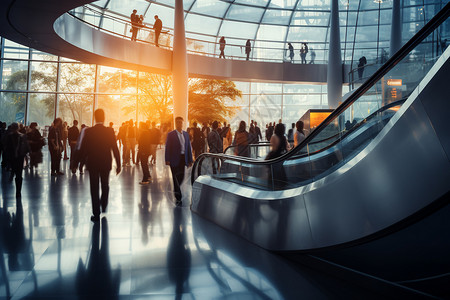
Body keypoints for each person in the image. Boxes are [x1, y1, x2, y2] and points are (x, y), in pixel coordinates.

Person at [79, 109, 121, 222]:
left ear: (95, 117)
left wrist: (79, 163)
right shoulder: (110, 131)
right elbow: (115, 148)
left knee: (94, 187)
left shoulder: (89, 131)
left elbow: (84, 149)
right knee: (105, 184)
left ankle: (96, 214)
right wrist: (119, 163)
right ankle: (104, 203)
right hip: (105, 162)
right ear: (104, 117)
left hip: (92, 163)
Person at [165, 117, 193, 206]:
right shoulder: (171, 134)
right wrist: (167, 159)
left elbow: (188, 148)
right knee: (175, 177)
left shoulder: (186, 134)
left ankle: (176, 189)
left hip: (183, 158)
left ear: (183, 123)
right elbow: (167, 147)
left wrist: (190, 160)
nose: (179, 124)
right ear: (175, 123)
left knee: (182, 176)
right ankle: (178, 196)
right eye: (177, 122)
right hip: (173, 159)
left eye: (181, 122)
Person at [5, 123, 29, 197]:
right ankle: (18, 191)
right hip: (20, 157)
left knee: (15, 171)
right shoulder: (23, 136)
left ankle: (12, 174)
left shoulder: (9, 137)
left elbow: (6, 148)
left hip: (12, 157)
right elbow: (27, 147)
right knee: (19, 175)